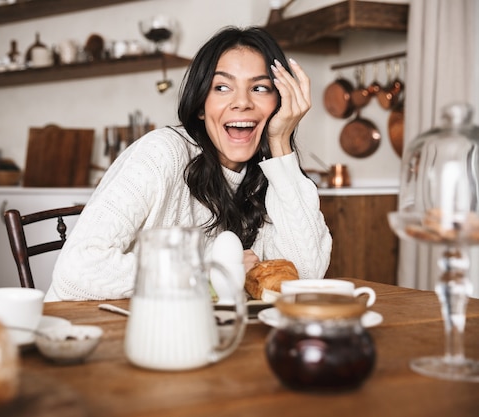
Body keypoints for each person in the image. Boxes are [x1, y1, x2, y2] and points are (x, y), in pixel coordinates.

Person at [45, 26, 332, 301]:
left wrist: (281, 144)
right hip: (89, 329)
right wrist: (205, 271)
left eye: (259, 88)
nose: (242, 102)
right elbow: (75, 272)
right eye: (222, 87)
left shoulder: (266, 177)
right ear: (200, 107)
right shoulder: (162, 153)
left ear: (279, 103)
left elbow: (304, 276)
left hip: (187, 333)